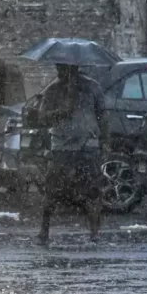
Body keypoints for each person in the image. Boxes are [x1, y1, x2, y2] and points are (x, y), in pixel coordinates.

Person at [36, 64, 109, 244]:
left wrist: (105, 141)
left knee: (92, 190)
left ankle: (94, 233)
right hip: (62, 146)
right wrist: (63, 111)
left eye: (68, 69)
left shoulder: (92, 87)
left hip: (88, 145)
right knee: (52, 190)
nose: (64, 73)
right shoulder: (53, 89)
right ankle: (44, 232)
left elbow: (102, 114)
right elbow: (42, 117)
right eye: (61, 69)